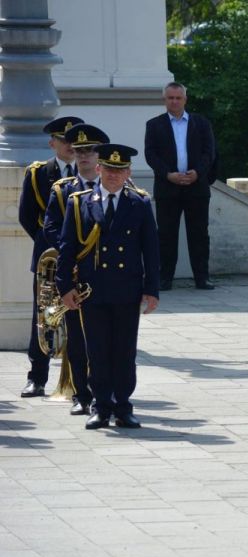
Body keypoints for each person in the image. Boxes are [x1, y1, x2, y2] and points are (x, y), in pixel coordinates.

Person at [56, 144, 160, 430]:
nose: (114, 175)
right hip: (92, 290)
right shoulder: (79, 203)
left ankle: (123, 406)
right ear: (99, 169)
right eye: (109, 169)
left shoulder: (138, 202)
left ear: (128, 173)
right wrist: (65, 287)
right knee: (97, 351)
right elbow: (67, 248)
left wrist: (152, 290)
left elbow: (150, 250)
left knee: (125, 351)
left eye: (120, 170)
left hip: (127, 291)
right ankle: (100, 407)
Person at [41, 123, 111, 416]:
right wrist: (71, 253)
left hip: (108, 277)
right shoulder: (62, 190)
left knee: (108, 341)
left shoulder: (117, 187)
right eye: (80, 151)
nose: (84, 157)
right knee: (79, 341)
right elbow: (51, 228)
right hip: (76, 277)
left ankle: (105, 395)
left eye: (90, 151)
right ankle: (82, 394)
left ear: (100, 156)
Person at [17, 115, 83, 398]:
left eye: (73, 141)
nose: (69, 145)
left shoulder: (91, 171)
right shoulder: (38, 173)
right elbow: (27, 217)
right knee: (44, 316)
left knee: (81, 320)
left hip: (84, 257)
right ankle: (37, 377)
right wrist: (53, 248)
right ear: (52, 143)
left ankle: (83, 381)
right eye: (63, 140)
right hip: (50, 257)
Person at [144, 82, 217, 290]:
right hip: (168, 187)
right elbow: (151, 155)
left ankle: (202, 278)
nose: (174, 101)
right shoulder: (154, 125)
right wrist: (168, 174)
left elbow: (209, 152)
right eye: (170, 98)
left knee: (199, 235)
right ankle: (165, 278)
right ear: (164, 100)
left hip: (197, 187)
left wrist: (197, 173)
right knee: (166, 234)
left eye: (178, 98)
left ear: (185, 99)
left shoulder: (201, 123)